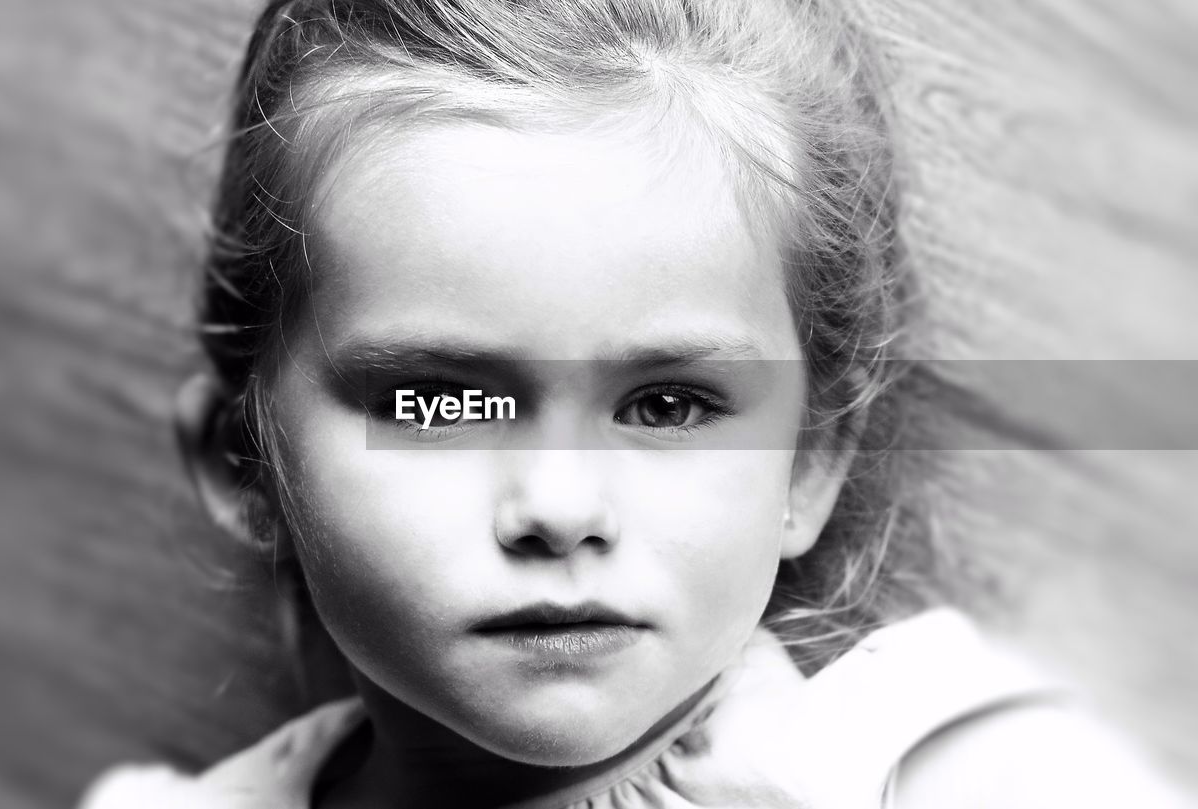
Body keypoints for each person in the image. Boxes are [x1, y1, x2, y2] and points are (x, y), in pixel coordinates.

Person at [79, 0, 1187, 806]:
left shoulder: (958, 772)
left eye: (666, 405)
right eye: (435, 402)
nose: (559, 504)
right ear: (245, 464)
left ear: (808, 461)